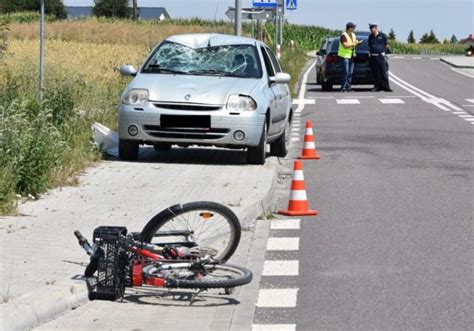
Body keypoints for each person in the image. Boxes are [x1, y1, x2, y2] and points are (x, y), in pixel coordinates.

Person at [337, 22, 363, 92]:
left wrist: (358, 43)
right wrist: (353, 44)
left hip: (351, 56)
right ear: (350, 28)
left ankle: (348, 87)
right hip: (344, 56)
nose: (354, 29)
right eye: (353, 27)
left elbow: (354, 44)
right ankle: (343, 87)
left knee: (350, 73)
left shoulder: (353, 35)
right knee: (345, 72)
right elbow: (345, 45)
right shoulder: (343, 35)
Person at [368, 23, 393, 92]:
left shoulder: (383, 35)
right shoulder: (370, 37)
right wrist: (370, 52)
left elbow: (386, 44)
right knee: (375, 73)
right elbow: (369, 46)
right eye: (370, 29)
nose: (371, 30)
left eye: (372, 29)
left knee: (383, 72)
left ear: (376, 28)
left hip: (380, 56)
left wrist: (384, 52)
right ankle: (377, 87)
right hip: (373, 57)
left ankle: (386, 87)